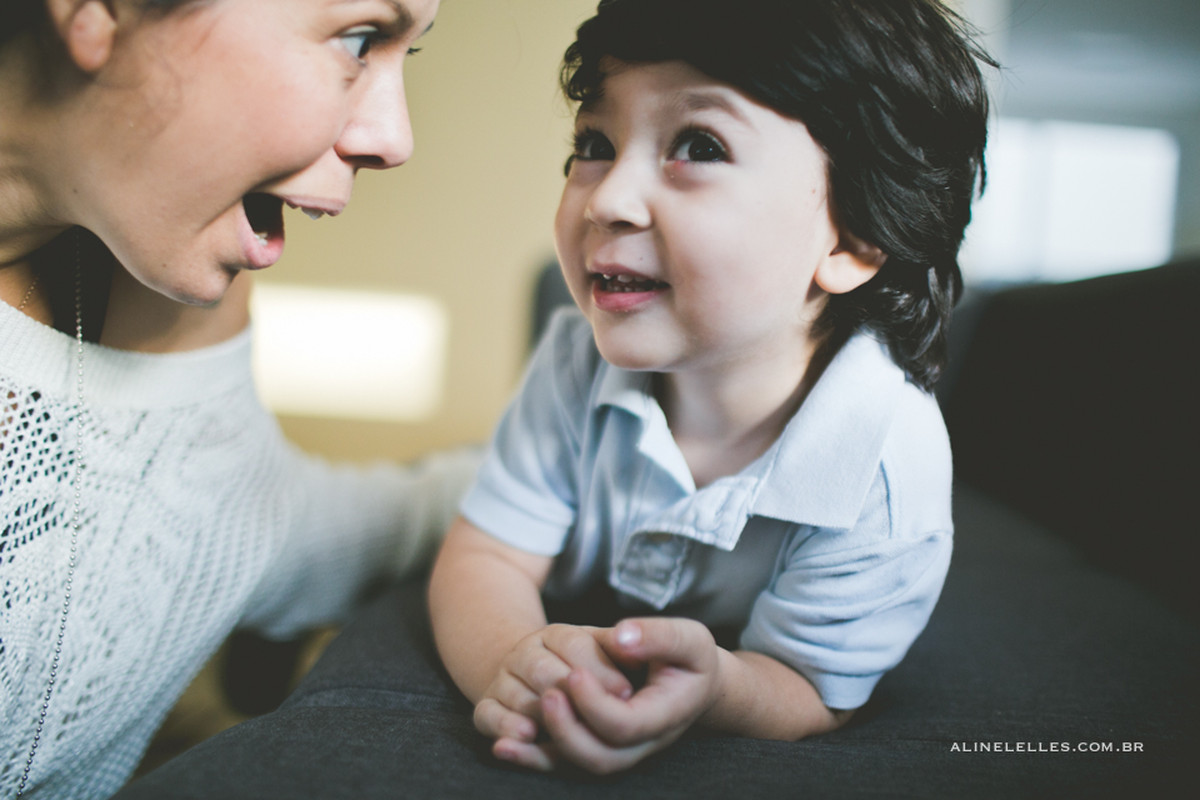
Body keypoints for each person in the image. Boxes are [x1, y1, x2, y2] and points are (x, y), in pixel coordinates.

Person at [428, 0, 992, 775]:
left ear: (857, 235)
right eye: (594, 143)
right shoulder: (572, 360)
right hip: (544, 521)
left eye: (698, 145)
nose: (607, 199)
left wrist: (721, 686)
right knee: (440, 502)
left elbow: (812, 684)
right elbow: (485, 558)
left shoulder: (887, 466)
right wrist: (514, 661)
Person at [0, 1, 475, 797]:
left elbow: (263, 526)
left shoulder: (173, 319)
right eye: (359, 40)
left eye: (408, 57)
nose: (395, 140)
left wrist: (570, 474)